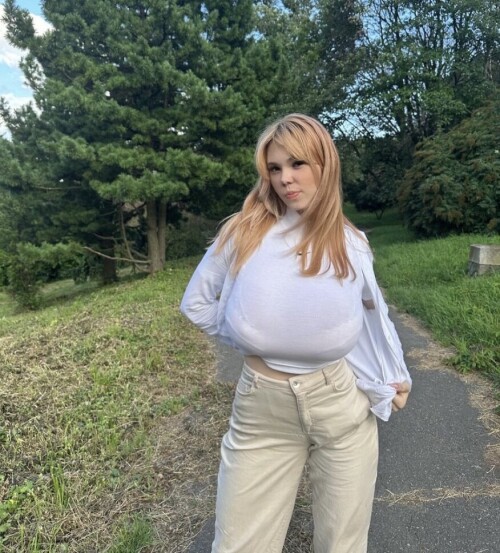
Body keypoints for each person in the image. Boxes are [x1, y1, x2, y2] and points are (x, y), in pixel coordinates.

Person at [180, 113, 411, 553]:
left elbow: (373, 316)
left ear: (325, 164)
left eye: (297, 164)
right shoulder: (244, 232)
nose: (285, 178)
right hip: (262, 413)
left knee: (343, 545)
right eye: (275, 168)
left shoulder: (351, 242)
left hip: (342, 405)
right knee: (239, 545)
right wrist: (245, 335)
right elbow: (196, 303)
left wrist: (394, 374)